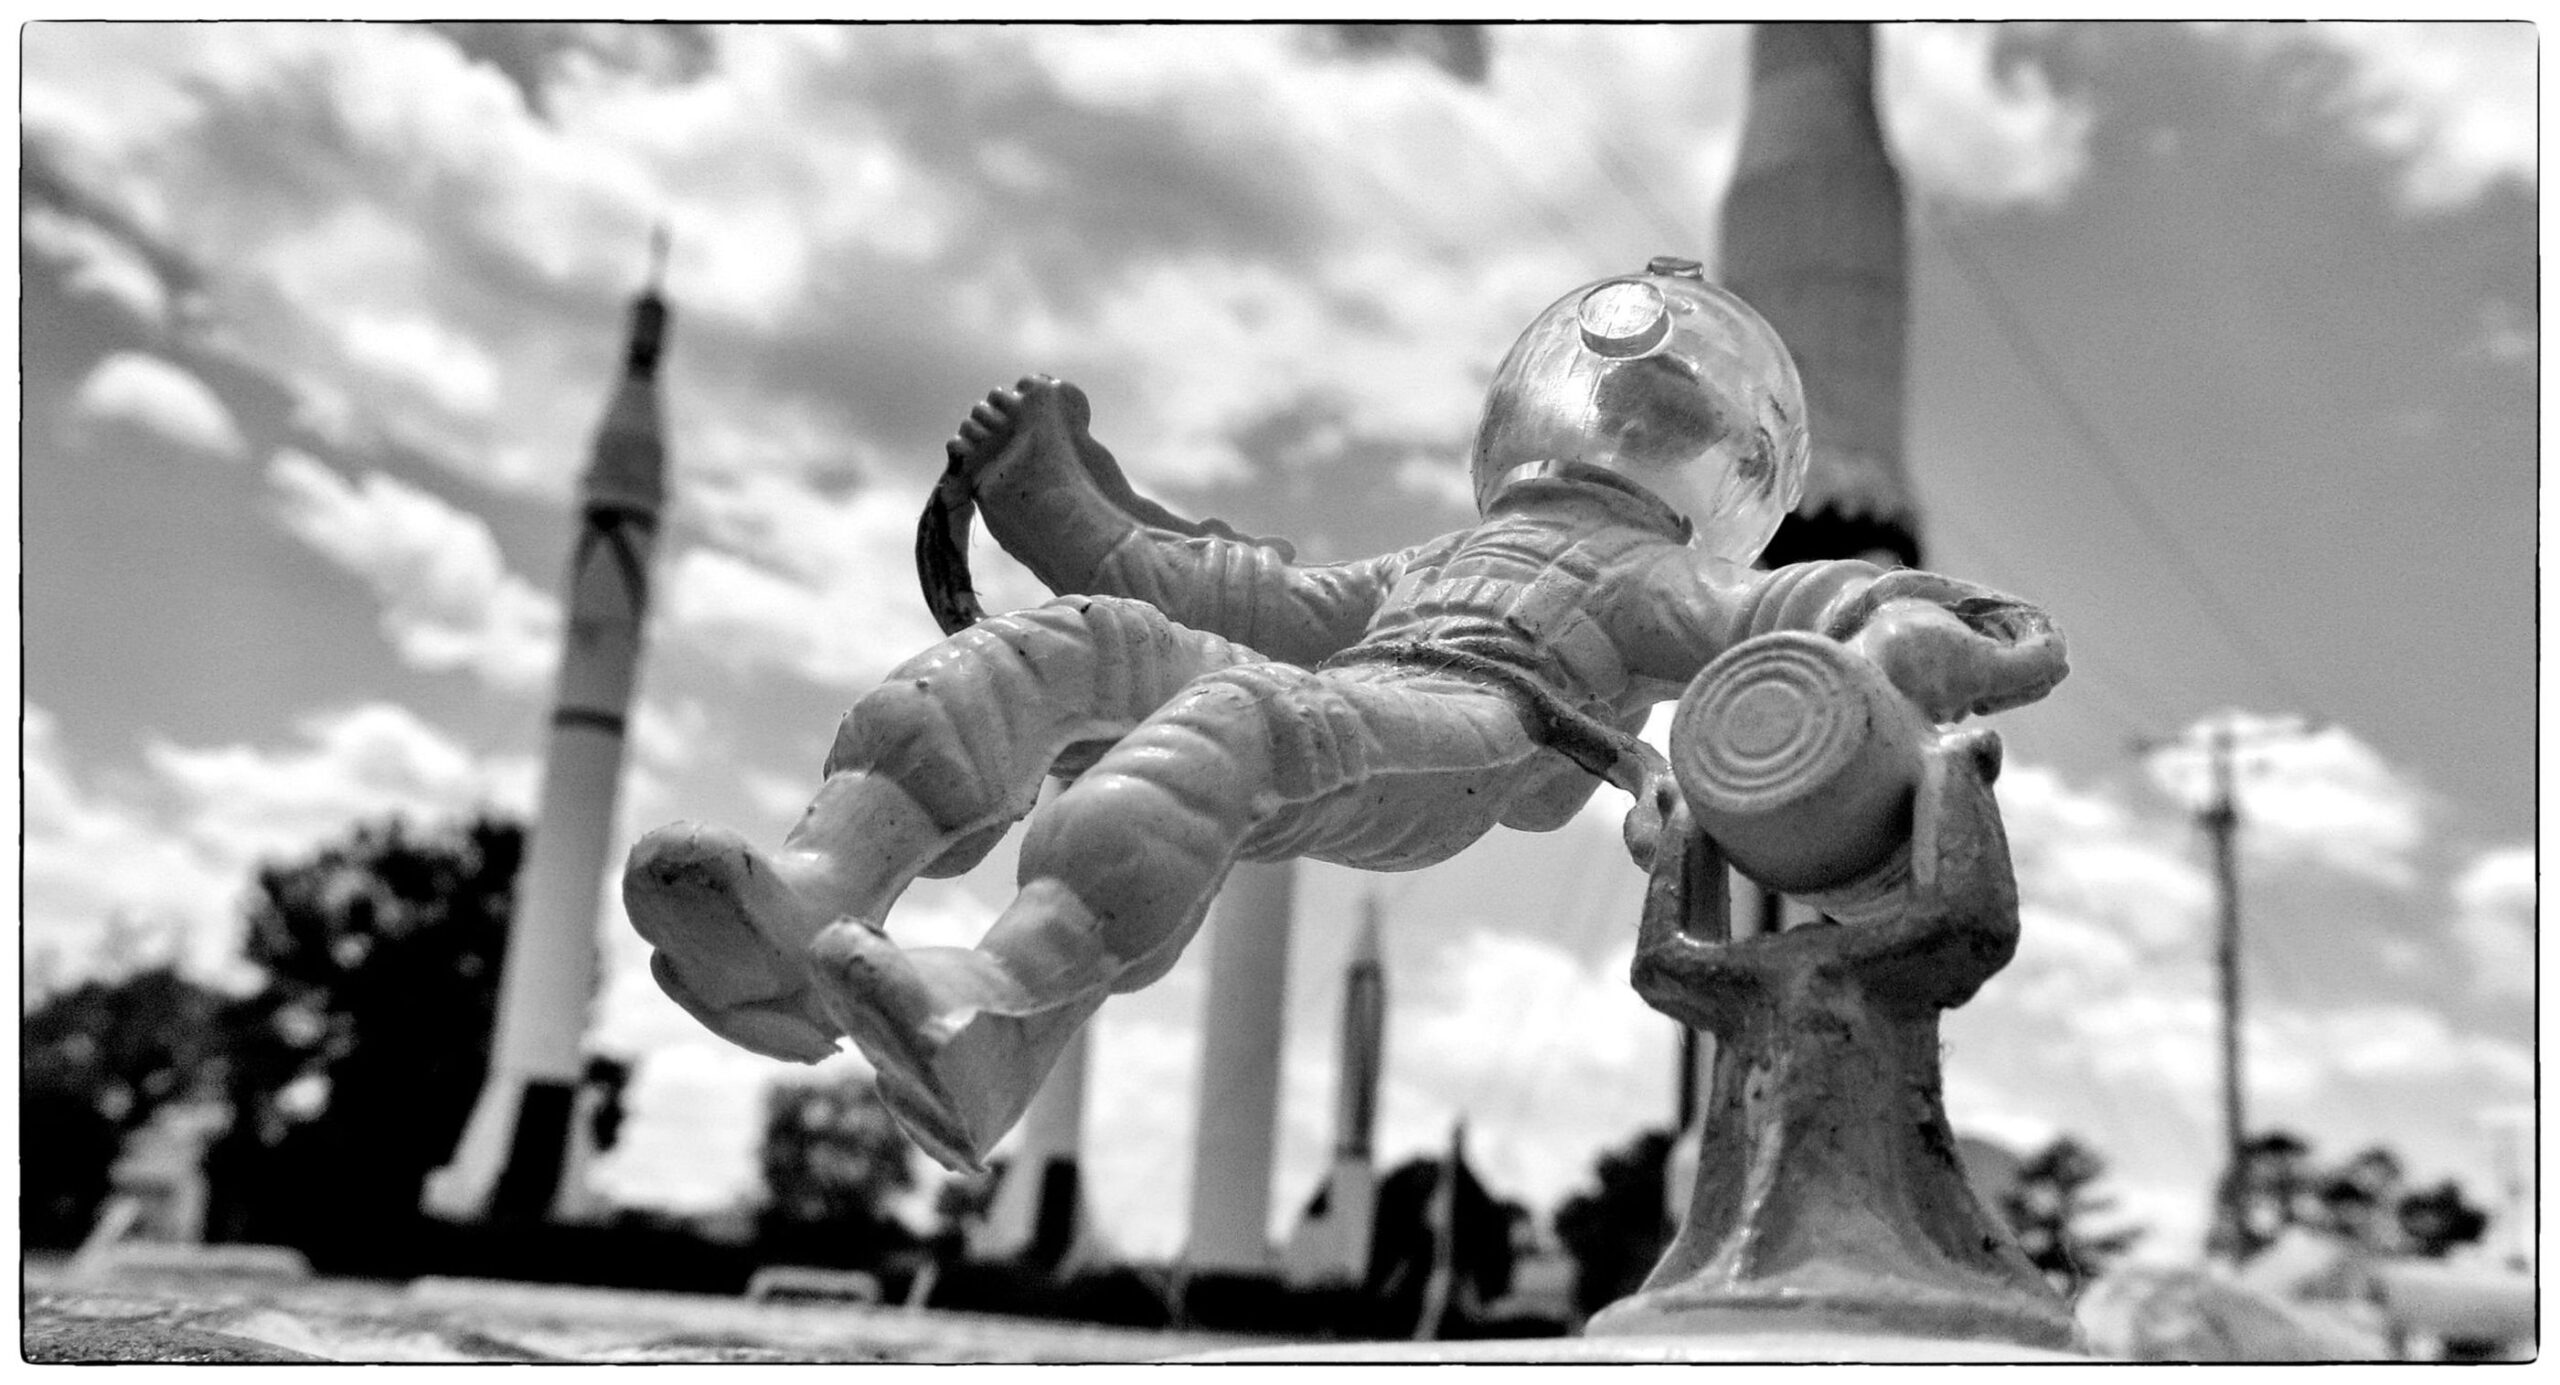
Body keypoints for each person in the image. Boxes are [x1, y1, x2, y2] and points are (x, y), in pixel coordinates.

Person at [623, 261, 2067, 1170]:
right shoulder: (1429, 563)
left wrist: (1917, 638)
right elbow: (1218, 585)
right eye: (1619, 405)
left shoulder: (1660, 583)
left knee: (1234, 722)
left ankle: (999, 1010)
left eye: (1656, 421)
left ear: (1709, 459)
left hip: (1474, 729)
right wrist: (1044, 493)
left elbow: (1812, 606)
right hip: (1360, 687)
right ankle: (810, 907)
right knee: (1075, 644)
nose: (1622, 430)